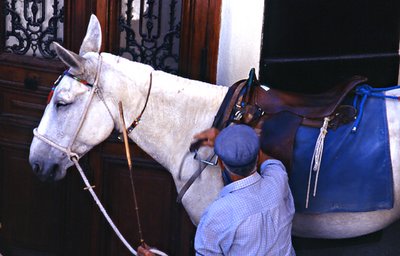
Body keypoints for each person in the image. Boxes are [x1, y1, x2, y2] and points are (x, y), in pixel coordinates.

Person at [138, 124, 295, 256]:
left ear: (220, 163)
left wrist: (225, 141)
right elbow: (272, 162)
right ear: (258, 154)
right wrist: (234, 143)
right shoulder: (278, 180)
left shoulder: (218, 214)